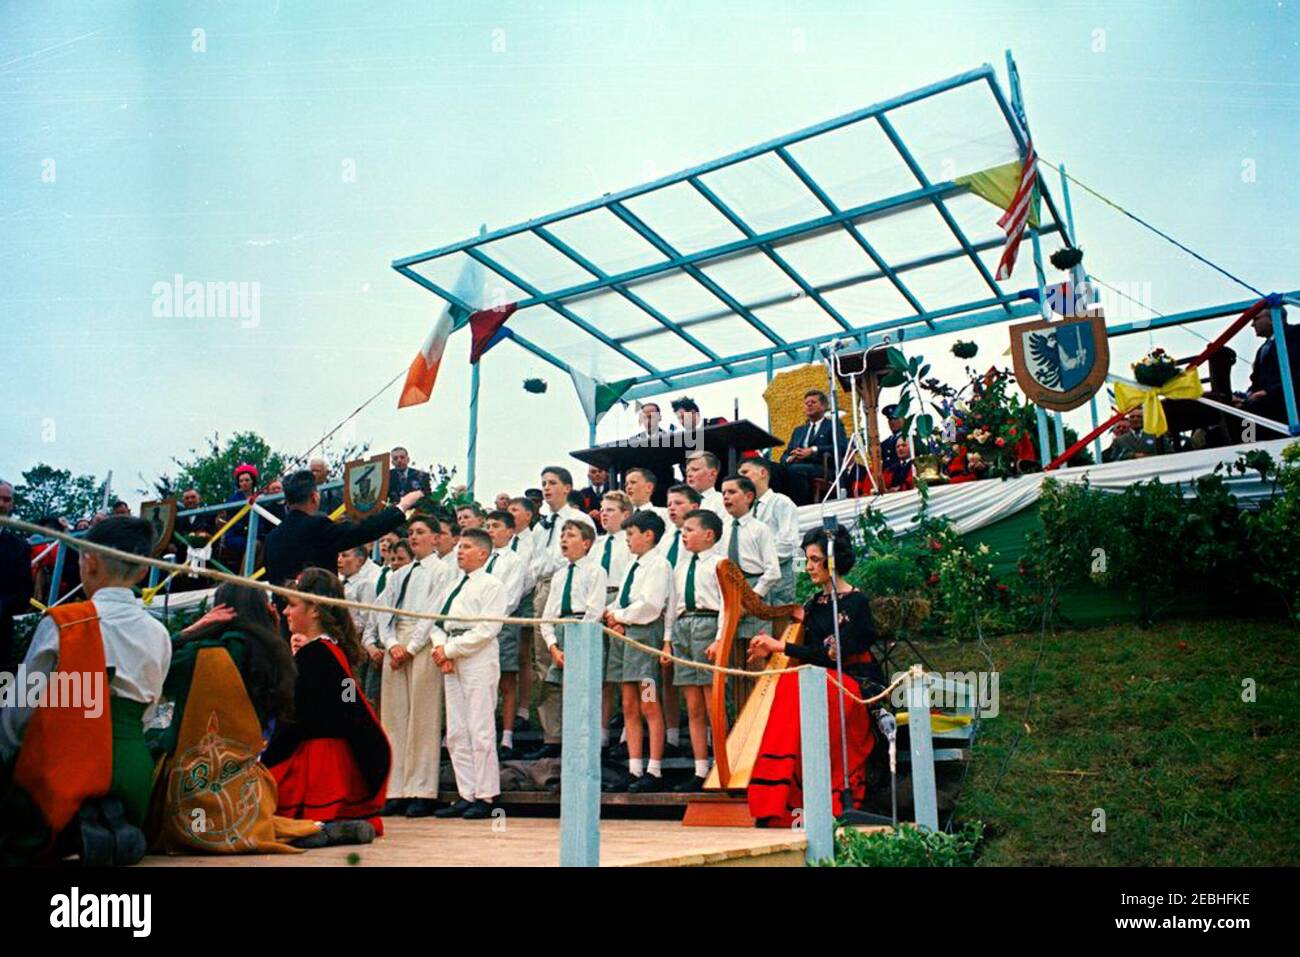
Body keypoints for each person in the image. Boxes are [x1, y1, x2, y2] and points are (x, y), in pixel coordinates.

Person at [0, 517, 170, 866]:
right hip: (133, 775)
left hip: (66, 770)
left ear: (89, 561)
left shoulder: (64, 621)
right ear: (142, 573)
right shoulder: (159, 634)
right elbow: (150, 713)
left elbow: (18, 713)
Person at [146, 584, 364, 853]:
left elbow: (153, 665)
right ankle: (315, 828)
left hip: (200, 776)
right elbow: (349, 694)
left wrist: (191, 631)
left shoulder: (202, 652)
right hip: (250, 777)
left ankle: (310, 828)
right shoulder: (277, 654)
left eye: (292, 605)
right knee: (253, 820)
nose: (285, 611)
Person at [745, 526, 880, 826]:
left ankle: (828, 793)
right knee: (790, 684)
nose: (808, 567)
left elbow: (834, 655)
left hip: (856, 681)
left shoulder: (857, 603)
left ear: (834, 561)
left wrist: (782, 645)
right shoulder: (814, 605)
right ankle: (780, 800)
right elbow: (810, 652)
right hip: (822, 680)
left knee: (796, 685)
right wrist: (773, 650)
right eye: (807, 559)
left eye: (815, 560)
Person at [263, 568, 391, 834]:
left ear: (315, 610)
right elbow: (350, 703)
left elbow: (294, 719)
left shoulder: (313, 656)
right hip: (337, 765)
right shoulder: (332, 651)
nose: (286, 612)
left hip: (313, 764)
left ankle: (321, 829)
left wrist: (266, 761)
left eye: (292, 605)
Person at [374, 516, 450, 817]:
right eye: (411, 532)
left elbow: (433, 612)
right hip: (397, 642)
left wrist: (412, 647)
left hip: (423, 641)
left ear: (435, 538)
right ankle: (395, 788)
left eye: (421, 532)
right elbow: (383, 611)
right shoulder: (399, 573)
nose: (414, 537)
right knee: (393, 717)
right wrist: (391, 642)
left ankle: (421, 789)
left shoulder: (442, 571)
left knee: (422, 716)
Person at [430, 529, 508, 819]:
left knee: (480, 726)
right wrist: (441, 650)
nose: (459, 551)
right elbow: (436, 623)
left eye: (466, 547)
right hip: (451, 651)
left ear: (483, 553)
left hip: (476, 655)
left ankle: (487, 796)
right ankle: (467, 792)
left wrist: (452, 650)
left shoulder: (492, 585)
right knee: (457, 730)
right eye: (459, 546)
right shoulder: (453, 585)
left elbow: (488, 629)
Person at [526, 467, 596, 759]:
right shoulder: (541, 526)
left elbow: (567, 559)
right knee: (544, 662)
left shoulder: (577, 519)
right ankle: (552, 734)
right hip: (544, 589)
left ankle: (579, 733)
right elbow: (533, 564)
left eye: (552, 483)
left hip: (569, 585)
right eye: (543, 483)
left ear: (567, 488)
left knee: (572, 664)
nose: (546, 488)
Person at [603, 511, 674, 792]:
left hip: (644, 637)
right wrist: (613, 615)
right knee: (629, 704)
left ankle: (654, 768)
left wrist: (621, 616)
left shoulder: (659, 565)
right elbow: (621, 598)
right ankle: (634, 767)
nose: (628, 540)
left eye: (632, 534)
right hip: (624, 637)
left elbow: (650, 606)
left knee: (649, 702)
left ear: (649, 535)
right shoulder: (633, 565)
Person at [264, 469, 420, 591]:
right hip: (316, 615)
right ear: (314, 497)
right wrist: (402, 507)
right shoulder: (317, 526)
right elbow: (363, 531)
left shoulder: (271, 538)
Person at [537, 520, 605, 760]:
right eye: (562, 535)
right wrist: (553, 647)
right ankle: (564, 745)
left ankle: (587, 748)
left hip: (582, 634)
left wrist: (578, 645)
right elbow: (547, 617)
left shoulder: (595, 571)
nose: (564, 539)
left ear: (586, 543)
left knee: (584, 695)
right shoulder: (559, 575)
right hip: (561, 634)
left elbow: (594, 612)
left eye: (571, 535)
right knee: (560, 692)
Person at [669, 509, 725, 792]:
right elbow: (673, 605)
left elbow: (726, 605)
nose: (684, 535)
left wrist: (718, 638)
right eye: (683, 530)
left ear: (708, 535)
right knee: (692, 705)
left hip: (707, 623)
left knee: (710, 700)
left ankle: (720, 763)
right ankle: (699, 766)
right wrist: (668, 639)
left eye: (690, 530)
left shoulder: (720, 563)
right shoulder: (680, 566)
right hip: (683, 626)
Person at [719, 474, 781, 689]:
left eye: (732, 492)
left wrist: (751, 600)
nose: (726, 497)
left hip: (754, 593)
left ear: (748, 496)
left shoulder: (760, 529)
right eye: (723, 493)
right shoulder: (723, 530)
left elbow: (773, 571)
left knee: (755, 657)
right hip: (729, 595)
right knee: (735, 662)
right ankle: (740, 715)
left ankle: (762, 711)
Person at [482, 511, 526, 760]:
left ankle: (507, 736)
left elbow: (510, 598)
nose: (490, 530)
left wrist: (488, 617)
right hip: (477, 626)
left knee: (506, 680)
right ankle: (485, 732)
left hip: (502, 624)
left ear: (510, 531)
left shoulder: (514, 561)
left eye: (496, 525)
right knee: (483, 682)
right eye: (487, 525)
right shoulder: (481, 557)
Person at [738, 459, 800, 605]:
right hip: (752, 581)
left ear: (763, 473)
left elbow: (787, 544)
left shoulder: (781, 502)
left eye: (745, 472)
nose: (741, 478)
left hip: (779, 582)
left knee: (780, 623)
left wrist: (755, 563)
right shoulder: (746, 509)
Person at [1237, 306, 1300, 438]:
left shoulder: (1295, 334)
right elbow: (1256, 382)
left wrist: (1269, 392)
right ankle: (1248, 447)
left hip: (1287, 400)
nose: (1252, 324)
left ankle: (1250, 448)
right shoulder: (1262, 349)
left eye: (1256, 318)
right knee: (1238, 411)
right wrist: (1244, 397)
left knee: (1248, 415)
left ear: (1272, 319)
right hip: (1265, 400)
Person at [779, 389, 849, 505]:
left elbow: (841, 448)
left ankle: (802, 507)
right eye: (806, 403)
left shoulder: (833, 425)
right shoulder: (798, 431)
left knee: (795, 470)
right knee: (775, 470)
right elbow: (786, 453)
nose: (809, 405)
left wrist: (813, 450)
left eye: (813, 402)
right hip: (796, 465)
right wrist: (790, 458)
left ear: (823, 406)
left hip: (822, 468)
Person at [506, 496, 539, 733]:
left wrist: (516, 592)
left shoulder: (534, 538)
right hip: (504, 600)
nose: (511, 513)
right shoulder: (506, 540)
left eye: (515, 510)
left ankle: (524, 708)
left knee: (523, 654)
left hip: (525, 597)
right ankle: (506, 706)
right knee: (507, 655)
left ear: (528, 515)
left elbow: (532, 571)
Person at [338, 545, 383, 708]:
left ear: (359, 561)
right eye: (339, 556)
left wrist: (346, 633)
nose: (340, 560)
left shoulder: (365, 585)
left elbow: (366, 617)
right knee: (342, 682)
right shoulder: (338, 583)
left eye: (345, 555)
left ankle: (352, 715)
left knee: (353, 683)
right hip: (340, 642)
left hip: (353, 644)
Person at [0, 480, 33, 672]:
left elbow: (24, 593)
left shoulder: (19, 547)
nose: (2, 504)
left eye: (7, 500)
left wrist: (3, 605)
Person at [217, 463, 263, 567]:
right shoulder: (233, 500)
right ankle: (244, 578)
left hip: (255, 535)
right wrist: (247, 530)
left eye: (247, 480)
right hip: (236, 536)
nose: (244, 483)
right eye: (241, 481)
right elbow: (233, 522)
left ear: (252, 482)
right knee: (255, 545)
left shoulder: (259, 498)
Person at [879, 404, 914, 491]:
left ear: (903, 419)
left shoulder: (912, 439)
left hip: (906, 481)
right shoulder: (884, 443)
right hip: (889, 483)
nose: (893, 422)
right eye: (890, 420)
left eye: (896, 418)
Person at [684, 451, 726, 518]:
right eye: (687, 471)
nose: (689, 474)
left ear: (712, 474)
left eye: (695, 470)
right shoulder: (681, 503)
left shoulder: (722, 501)